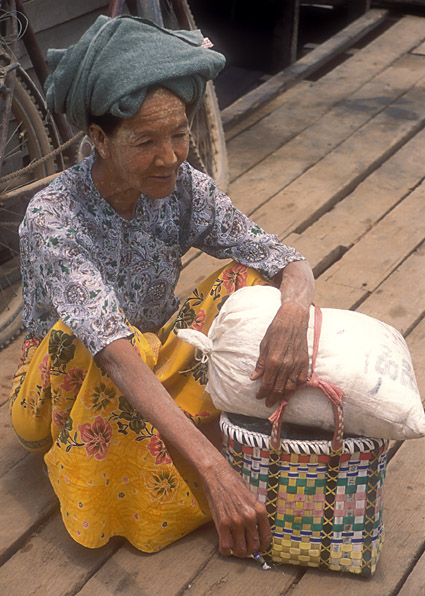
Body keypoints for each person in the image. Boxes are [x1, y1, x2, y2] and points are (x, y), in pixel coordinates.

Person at [9, 15, 314, 559]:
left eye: (179, 134)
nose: (171, 156)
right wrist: (215, 470)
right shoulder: (54, 217)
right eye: (146, 140)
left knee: (245, 280)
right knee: (84, 340)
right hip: (69, 384)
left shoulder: (183, 187)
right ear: (100, 139)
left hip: (156, 358)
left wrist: (293, 311)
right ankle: (155, 490)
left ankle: (178, 446)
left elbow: (286, 258)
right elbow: (115, 354)